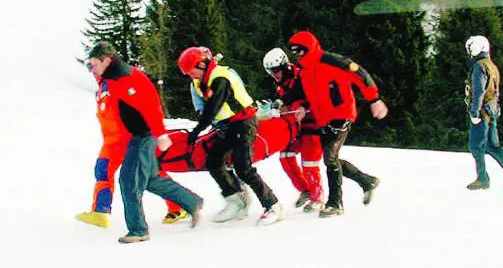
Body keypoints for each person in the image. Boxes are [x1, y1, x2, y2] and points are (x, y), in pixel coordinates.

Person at [85, 41, 203, 243]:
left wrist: (161, 134)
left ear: (106, 60)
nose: (91, 69)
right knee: (149, 179)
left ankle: (138, 230)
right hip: (136, 136)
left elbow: (150, 105)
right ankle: (191, 201)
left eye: (93, 64)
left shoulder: (126, 77)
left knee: (128, 181)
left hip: (142, 136)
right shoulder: (110, 78)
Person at [286, 31, 386, 218]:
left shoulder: (332, 61)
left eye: (300, 51)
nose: (297, 56)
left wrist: (374, 99)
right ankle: (367, 181)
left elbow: (360, 74)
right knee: (331, 158)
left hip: (342, 114)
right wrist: (300, 106)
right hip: (322, 119)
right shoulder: (304, 71)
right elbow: (298, 95)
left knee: (329, 159)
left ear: (309, 48)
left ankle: (335, 203)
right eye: (294, 52)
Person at [178, 46, 283, 225]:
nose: (191, 76)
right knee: (213, 161)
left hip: (243, 123)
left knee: (243, 167)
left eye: (191, 71)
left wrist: (196, 131)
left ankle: (272, 205)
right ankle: (236, 202)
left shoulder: (220, 77)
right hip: (227, 125)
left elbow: (213, 107)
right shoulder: (202, 79)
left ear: (202, 64)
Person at [75, 68, 189, 229]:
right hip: (112, 139)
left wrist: (156, 132)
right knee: (104, 170)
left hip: (127, 138)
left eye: (95, 67)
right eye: (91, 68)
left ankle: (180, 205)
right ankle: (100, 212)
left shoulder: (120, 81)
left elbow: (144, 105)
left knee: (149, 174)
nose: (93, 71)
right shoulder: (102, 87)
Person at [262, 47, 324, 213]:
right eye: (271, 72)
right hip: (296, 127)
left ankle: (318, 198)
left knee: (309, 161)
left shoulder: (302, 76)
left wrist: (304, 107)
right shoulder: (280, 84)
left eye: (276, 71)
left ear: (284, 66)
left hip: (314, 123)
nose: (274, 75)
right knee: (285, 155)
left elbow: (316, 95)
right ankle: (305, 190)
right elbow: (285, 101)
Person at [464, 35, 503, 190]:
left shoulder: (479, 67)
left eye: (470, 48)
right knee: (492, 145)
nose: (469, 51)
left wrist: (474, 113)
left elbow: (478, 91)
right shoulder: (491, 65)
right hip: (492, 111)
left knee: (476, 145)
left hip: (482, 113)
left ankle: (482, 178)